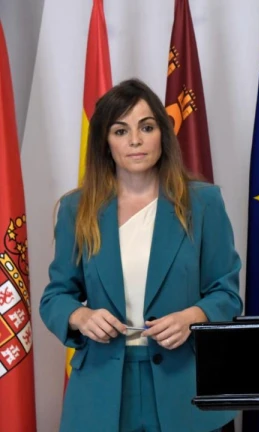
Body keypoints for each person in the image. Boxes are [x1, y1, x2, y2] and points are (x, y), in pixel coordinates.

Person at [39, 78, 243, 432]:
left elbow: (226, 294)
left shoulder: (203, 203)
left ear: (163, 133)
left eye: (146, 127)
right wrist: (80, 316)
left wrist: (192, 317)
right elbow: (56, 296)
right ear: (105, 141)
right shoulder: (77, 208)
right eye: (121, 131)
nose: (135, 140)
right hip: (101, 391)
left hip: (185, 387)